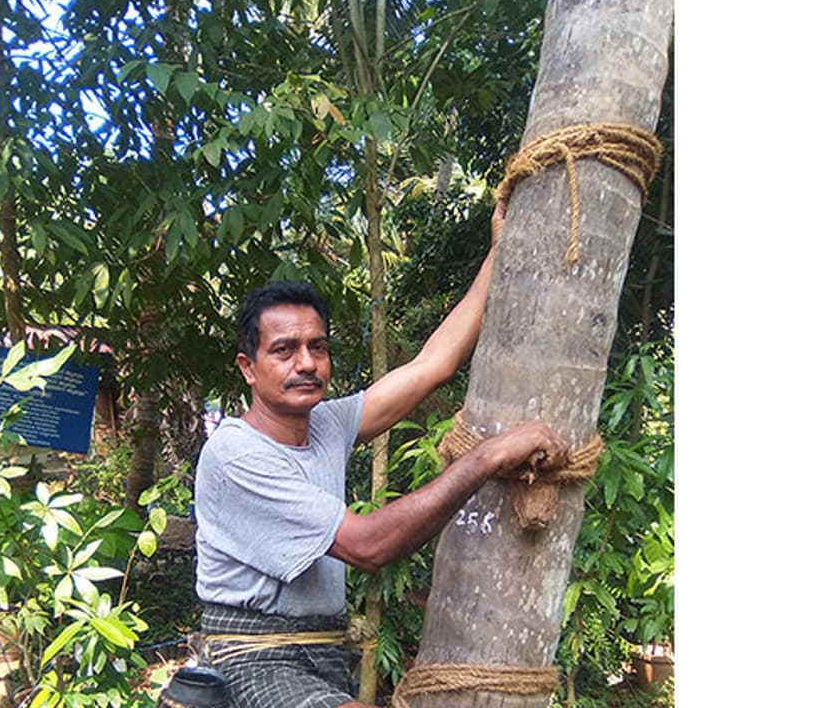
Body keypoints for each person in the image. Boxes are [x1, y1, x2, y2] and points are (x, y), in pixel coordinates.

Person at [192, 203, 569, 708]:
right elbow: (368, 546)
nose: (306, 363)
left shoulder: (325, 423)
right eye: (284, 350)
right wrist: (485, 458)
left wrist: (496, 255)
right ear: (248, 367)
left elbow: (434, 364)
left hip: (321, 653)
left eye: (317, 347)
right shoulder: (236, 453)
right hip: (252, 657)